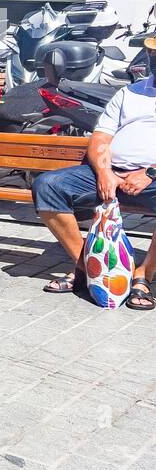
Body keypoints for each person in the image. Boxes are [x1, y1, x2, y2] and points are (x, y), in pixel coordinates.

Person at [34, 61, 156, 308]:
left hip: (151, 178)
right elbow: (101, 135)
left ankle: (143, 275)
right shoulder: (130, 92)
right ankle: (88, 269)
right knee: (48, 186)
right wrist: (104, 172)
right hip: (110, 173)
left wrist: (150, 173)